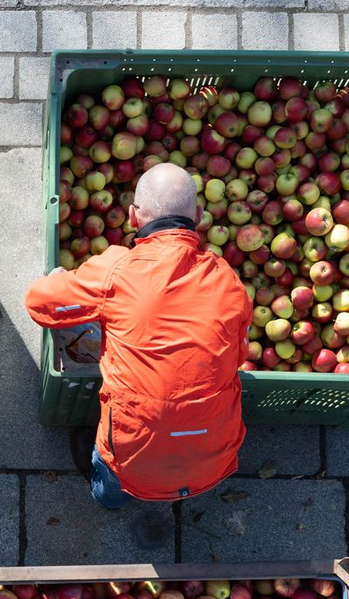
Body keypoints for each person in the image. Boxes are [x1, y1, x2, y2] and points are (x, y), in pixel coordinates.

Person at [25, 162, 252, 509]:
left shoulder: (117, 269)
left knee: (112, 475)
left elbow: (38, 303)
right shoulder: (228, 281)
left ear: (132, 217)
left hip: (132, 457)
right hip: (214, 457)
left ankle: (108, 494)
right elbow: (238, 356)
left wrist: (57, 279)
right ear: (198, 216)